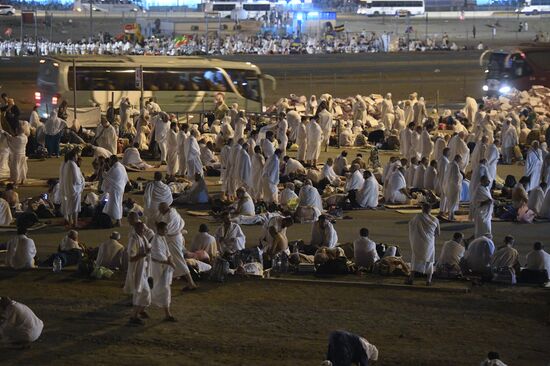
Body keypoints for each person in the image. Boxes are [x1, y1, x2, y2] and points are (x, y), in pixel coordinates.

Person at [155, 202, 196, 290]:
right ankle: (167, 280)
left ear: (163, 209)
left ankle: (191, 282)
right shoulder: (173, 211)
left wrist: (158, 225)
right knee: (169, 259)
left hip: (174, 239)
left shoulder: (169, 216)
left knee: (179, 260)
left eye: (160, 209)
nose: (159, 211)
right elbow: (182, 222)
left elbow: (165, 229)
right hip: (175, 237)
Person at [123, 222, 151, 325]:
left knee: (146, 293)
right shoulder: (134, 240)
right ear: (137, 229)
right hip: (136, 271)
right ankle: (133, 316)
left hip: (142, 270)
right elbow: (131, 258)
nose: (144, 230)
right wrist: (144, 254)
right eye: (142, 228)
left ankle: (139, 311)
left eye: (144, 228)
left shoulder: (143, 238)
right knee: (139, 293)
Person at [407, 203, 440, 286]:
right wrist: (430, 235)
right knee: (430, 260)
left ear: (422, 209)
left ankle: (411, 279)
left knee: (415, 259)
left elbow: (411, 224)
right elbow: (438, 233)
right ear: (430, 209)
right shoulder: (435, 219)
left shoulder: (418, 217)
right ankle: (428, 280)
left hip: (419, 242)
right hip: (429, 243)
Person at [150, 222, 177, 322]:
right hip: (158, 268)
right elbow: (157, 256)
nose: (166, 231)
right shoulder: (156, 240)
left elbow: (167, 252)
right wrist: (170, 263)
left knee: (163, 289)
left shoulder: (162, 238)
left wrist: (170, 260)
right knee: (160, 288)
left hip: (165, 267)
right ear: (160, 230)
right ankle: (167, 314)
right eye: (165, 229)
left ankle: (167, 313)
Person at [59, 149, 85, 228]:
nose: (77, 157)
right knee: (75, 207)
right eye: (76, 155)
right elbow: (76, 178)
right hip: (74, 189)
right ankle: (75, 223)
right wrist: (82, 182)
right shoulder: (73, 164)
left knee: (70, 206)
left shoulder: (66, 164)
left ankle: (71, 222)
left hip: (68, 188)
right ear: (74, 156)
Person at [101, 156, 129, 227]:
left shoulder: (115, 168)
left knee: (115, 205)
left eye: (110, 161)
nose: (109, 162)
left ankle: (118, 221)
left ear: (113, 160)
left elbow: (107, 177)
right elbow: (126, 178)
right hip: (120, 188)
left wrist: (103, 171)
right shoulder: (121, 167)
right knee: (118, 204)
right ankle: (118, 221)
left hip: (115, 189)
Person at [441, 155, 463, 220]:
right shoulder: (455, 165)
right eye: (460, 160)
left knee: (450, 201)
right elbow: (456, 177)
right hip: (454, 186)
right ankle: (451, 216)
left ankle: (451, 215)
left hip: (448, 185)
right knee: (453, 201)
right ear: (458, 159)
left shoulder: (450, 164)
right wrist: (461, 178)